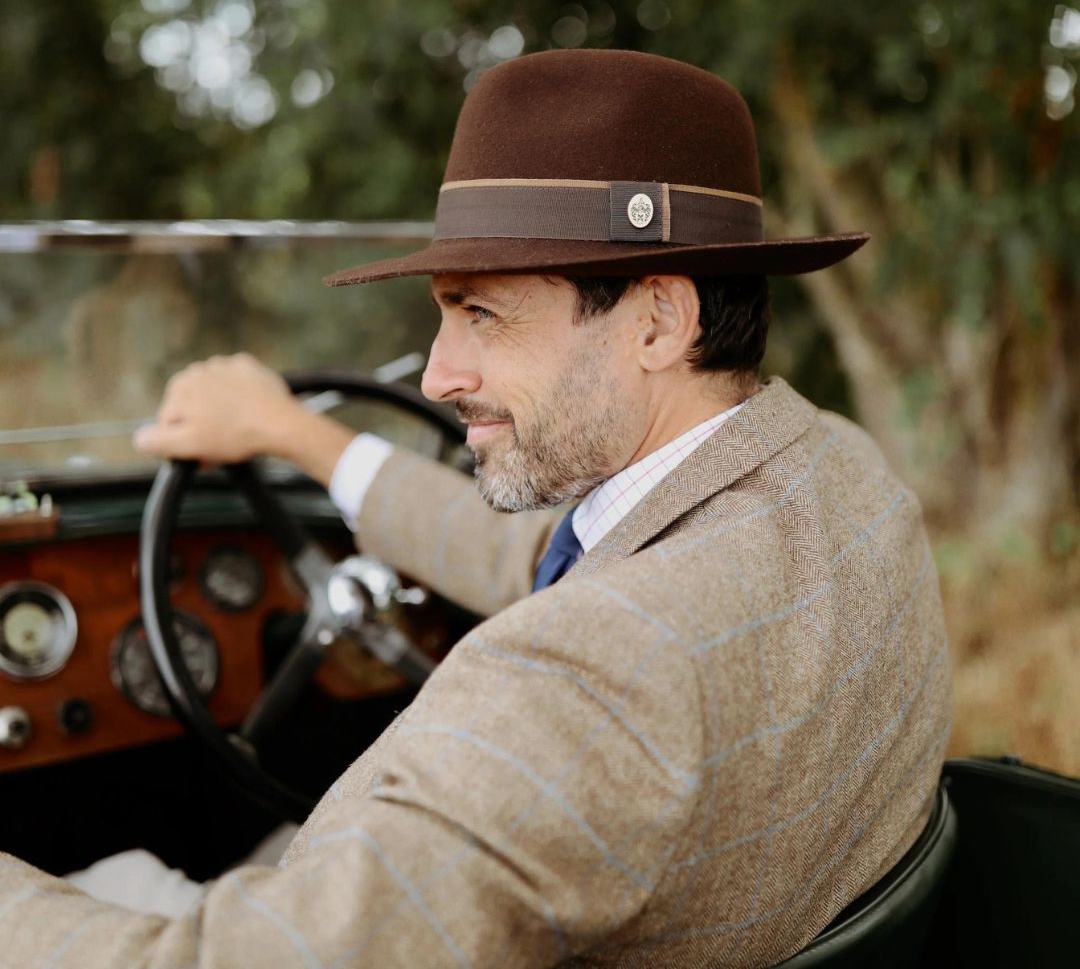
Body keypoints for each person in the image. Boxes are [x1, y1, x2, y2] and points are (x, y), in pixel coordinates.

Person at [0, 49, 952, 967]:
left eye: (481, 313)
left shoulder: (585, 678)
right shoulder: (842, 478)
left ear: (661, 319)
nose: (436, 373)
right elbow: (554, 556)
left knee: (111, 873)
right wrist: (300, 438)